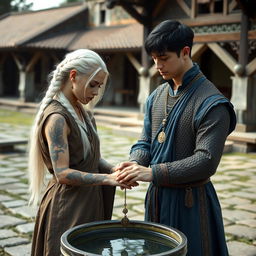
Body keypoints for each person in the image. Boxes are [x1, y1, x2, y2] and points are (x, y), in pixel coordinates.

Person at [116, 20, 236, 256]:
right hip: (158, 198)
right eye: (153, 59)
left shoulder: (212, 103)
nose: (157, 65)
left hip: (190, 203)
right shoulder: (157, 95)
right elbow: (145, 141)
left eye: (163, 58)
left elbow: (206, 161)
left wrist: (153, 173)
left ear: (185, 52)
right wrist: (135, 162)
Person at [28, 49, 133, 256]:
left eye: (100, 86)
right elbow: (62, 173)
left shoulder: (84, 113)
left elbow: (91, 159)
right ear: (74, 76)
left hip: (90, 200)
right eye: (93, 84)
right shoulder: (57, 118)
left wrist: (116, 170)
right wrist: (107, 179)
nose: (96, 92)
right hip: (68, 206)